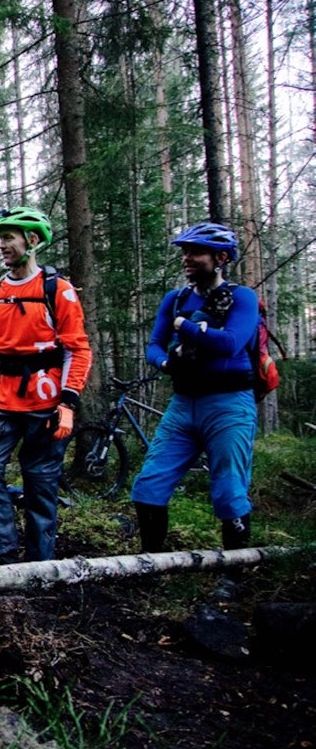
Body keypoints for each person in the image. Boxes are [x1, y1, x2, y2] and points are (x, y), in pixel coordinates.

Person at [0, 207, 92, 563]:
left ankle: (40, 565)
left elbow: (77, 350)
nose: (1, 245)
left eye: (8, 238)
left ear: (32, 241)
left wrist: (68, 402)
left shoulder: (58, 290)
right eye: (0, 238)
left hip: (46, 404)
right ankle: (5, 557)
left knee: (40, 483)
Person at [130, 223, 259, 552]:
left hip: (230, 404)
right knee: (149, 484)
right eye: (184, 251)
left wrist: (184, 327)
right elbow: (154, 346)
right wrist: (165, 363)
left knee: (229, 490)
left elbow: (230, 343)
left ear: (220, 257)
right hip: (183, 403)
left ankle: (233, 575)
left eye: (195, 252)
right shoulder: (176, 299)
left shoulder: (242, 298)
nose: (187, 257)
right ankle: (152, 563)